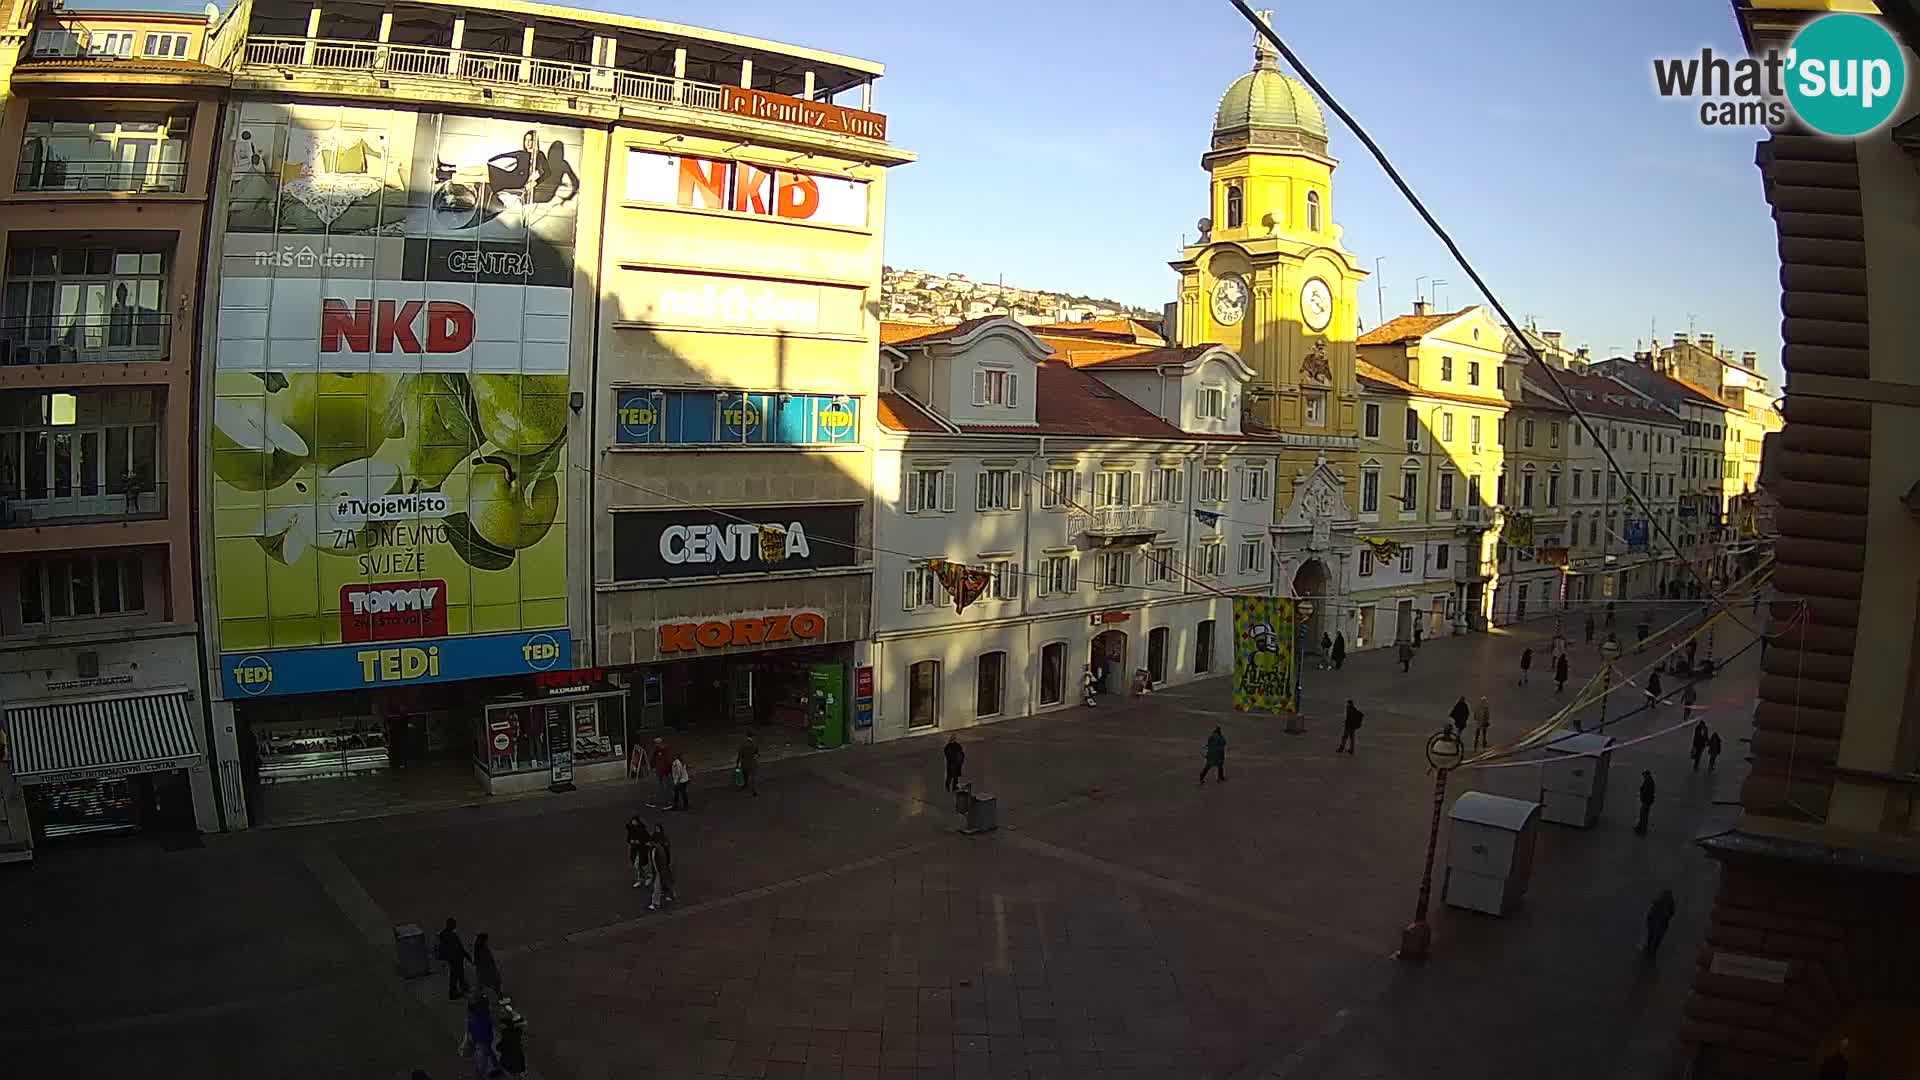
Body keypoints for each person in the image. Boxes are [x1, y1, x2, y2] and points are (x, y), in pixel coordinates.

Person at [461, 994, 496, 1080]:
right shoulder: (483, 1015)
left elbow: (471, 1027)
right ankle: (493, 1067)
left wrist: (468, 1037)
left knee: (481, 1059)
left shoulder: (476, 1016)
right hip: (483, 1039)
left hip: (480, 1040)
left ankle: (481, 1075)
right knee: (485, 1054)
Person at [437, 917, 470, 1000]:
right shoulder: (450, 935)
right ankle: (457, 991)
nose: (455, 926)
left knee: (457, 974)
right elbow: (459, 947)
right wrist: (467, 957)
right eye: (454, 925)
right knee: (456, 975)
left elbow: (459, 947)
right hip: (455, 958)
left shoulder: (446, 934)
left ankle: (462, 988)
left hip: (455, 958)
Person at [496, 1004, 528, 1079]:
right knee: (515, 1069)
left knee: (513, 1069)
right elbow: (523, 1022)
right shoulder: (513, 1025)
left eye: (502, 1012)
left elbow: (507, 1041)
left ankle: (517, 1076)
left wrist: (500, 1046)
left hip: (511, 1052)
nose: (499, 1013)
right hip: (514, 1051)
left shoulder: (509, 1028)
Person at [647, 823, 674, 911]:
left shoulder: (659, 850)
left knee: (657, 886)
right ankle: (669, 894)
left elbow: (661, 860)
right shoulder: (656, 849)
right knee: (665, 881)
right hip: (659, 869)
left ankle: (655, 903)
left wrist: (659, 869)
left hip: (660, 869)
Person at [1644, 889, 1677, 955]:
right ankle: (1653, 951)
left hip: (1654, 923)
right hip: (1662, 925)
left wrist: (1648, 920)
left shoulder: (1658, 901)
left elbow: (1651, 911)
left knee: (1651, 935)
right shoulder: (1671, 904)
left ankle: (1648, 948)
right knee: (1658, 938)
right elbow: (1672, 913)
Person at [473, 932, 502, 997]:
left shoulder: (479, 948)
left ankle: (475, 998)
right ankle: (500, 997)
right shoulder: (482, 949)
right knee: (496, 982)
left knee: (481, 985)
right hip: (487, 970)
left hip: (484, 970)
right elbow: (487, 959)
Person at [627, 816, 651, 889]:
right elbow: (628, 838)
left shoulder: (642, 830)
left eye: (635, 821)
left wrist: (639, 841)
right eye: (632, 821)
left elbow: (647, 839)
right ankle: (641, 879)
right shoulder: (631, 830)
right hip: (634, 850)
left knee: (640, 865)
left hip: (642, 850)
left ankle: (646, 877)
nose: (633, 822)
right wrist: (631, 841)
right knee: (636, 866)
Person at [650, 738, 674, 809]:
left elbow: (668, 761)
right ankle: (662, 801)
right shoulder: (657, 750)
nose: (655, 745)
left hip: (665, 772)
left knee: (667, 787)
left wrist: (668, 770)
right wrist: (653, 767)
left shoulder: (665, 750)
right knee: (660, 787)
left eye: (656, 743)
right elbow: (653, 760)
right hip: (660, 771)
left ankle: (669, 802)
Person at [1635, 770, 1656, 835]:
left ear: (1647, 775)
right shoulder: (1648, 781)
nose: (1643, 777)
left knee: (1643, 815)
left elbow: (1648, 792)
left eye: (1644, 775)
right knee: (1643, 815)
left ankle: (1642, 829)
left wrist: (1645, 799)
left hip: (1646, 802)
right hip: (1646, 801)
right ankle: (1640, 827)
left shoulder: (1649, 782)